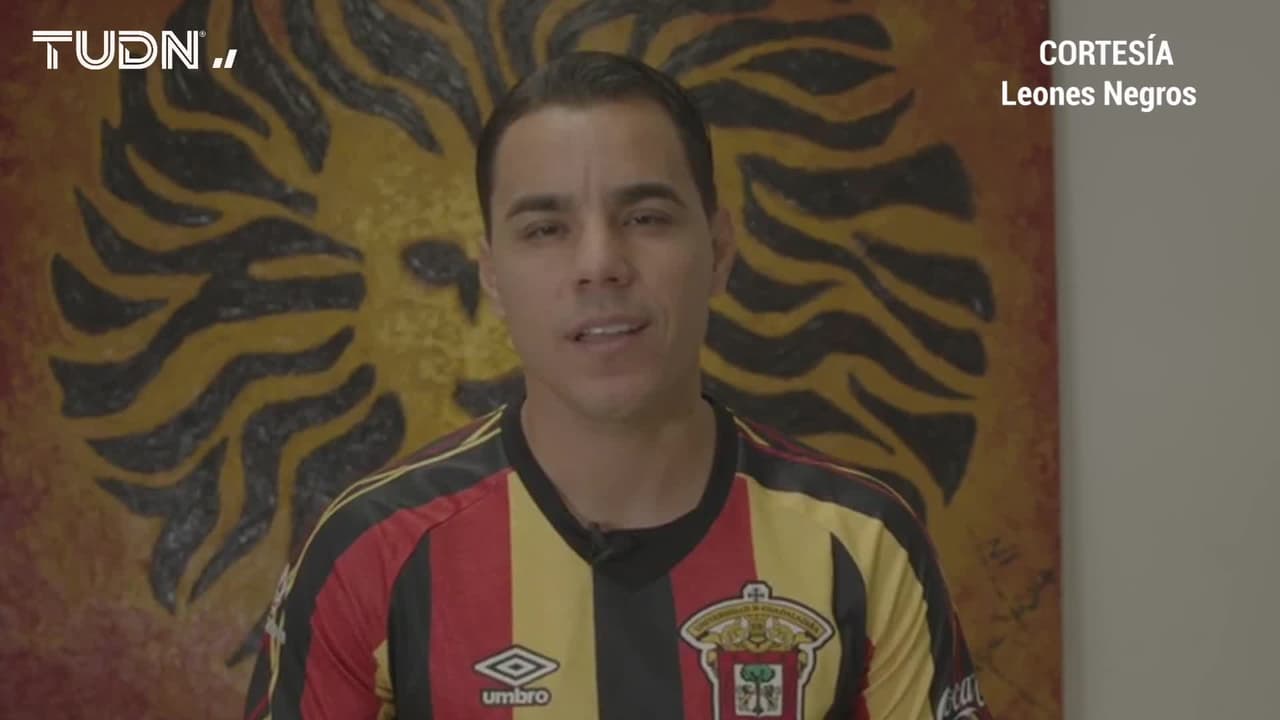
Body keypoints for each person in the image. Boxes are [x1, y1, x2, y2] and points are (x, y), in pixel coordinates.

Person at [243, 50, 993, 720]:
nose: (600, 264)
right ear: (492, 276)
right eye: (546, 229)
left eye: (645, 216)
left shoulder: (864, 544)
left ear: (720, 251)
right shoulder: (366, 554)